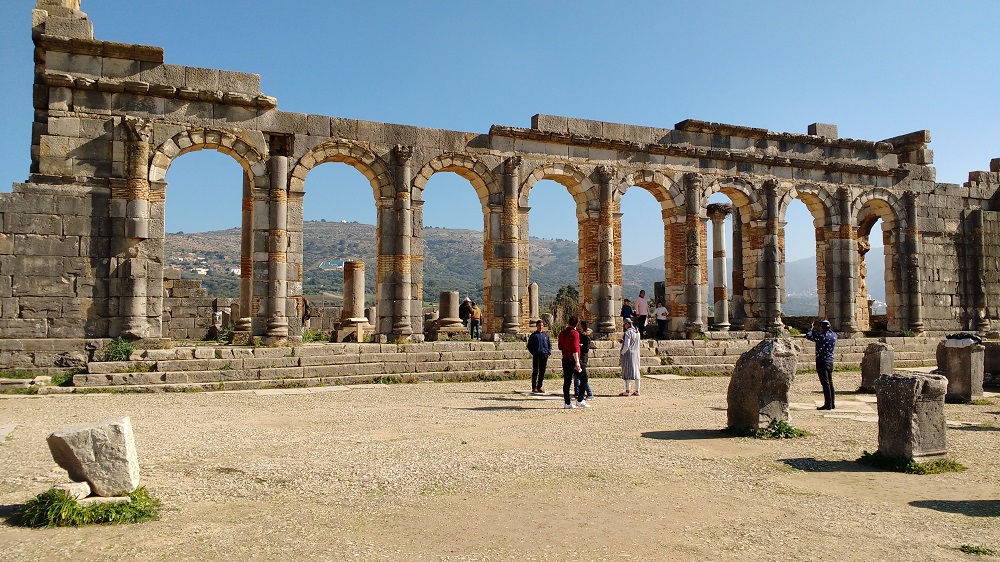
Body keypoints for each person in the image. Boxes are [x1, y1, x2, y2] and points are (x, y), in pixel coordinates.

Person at [805, 319, 838, 410]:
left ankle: (828, 404)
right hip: (830, 361)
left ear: (822, 327)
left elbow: (809, 336)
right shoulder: (834, 336)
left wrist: (810, 328)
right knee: (830, 383)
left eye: (820, 326)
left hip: (821, 362)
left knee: (825, 384)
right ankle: (832, 403)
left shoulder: (821, 336)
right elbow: (831, 332)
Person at [557, 315, 587, 409]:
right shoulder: (575, 333)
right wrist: (577, 362)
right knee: (584, 378)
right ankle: (580, 400)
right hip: (573, 360)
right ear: (577, 324)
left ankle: (567, 403)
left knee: (567, 381)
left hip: (565, 359)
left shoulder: (562, 333)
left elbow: (560, 347)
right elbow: (575, 348)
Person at [527, 320, 551, 394]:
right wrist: (534, 352)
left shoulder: (546, 335)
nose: (541, 327)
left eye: (542, 325)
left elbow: (549, 344)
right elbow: (529, 346)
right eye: (539, 325)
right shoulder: (534, 336)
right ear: (537, 326)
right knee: (535, 371)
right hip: (537, 355)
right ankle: (534, 387)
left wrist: (548, 352)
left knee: (542, 372)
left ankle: (539, 386)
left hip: (544, 355)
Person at [619, 317, 641, 396]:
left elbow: (627, 345)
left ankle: (627, 390)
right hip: (636, 353)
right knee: (636, 371)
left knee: (628, 371)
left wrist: (622, 352)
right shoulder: (637, 332)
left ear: (627, 324)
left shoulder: (628, 332)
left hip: (629, 354)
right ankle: (637, 390)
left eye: (625, 324)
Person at [574, 320, 594, 400]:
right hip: (578, 357)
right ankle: (577, 393)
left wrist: (579, 346)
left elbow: (586, 349)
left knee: (581, 376)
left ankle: (589, 393)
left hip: (583, 357)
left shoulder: (587, 337)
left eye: (579, 325)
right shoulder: (580, 334)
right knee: (576, 376)